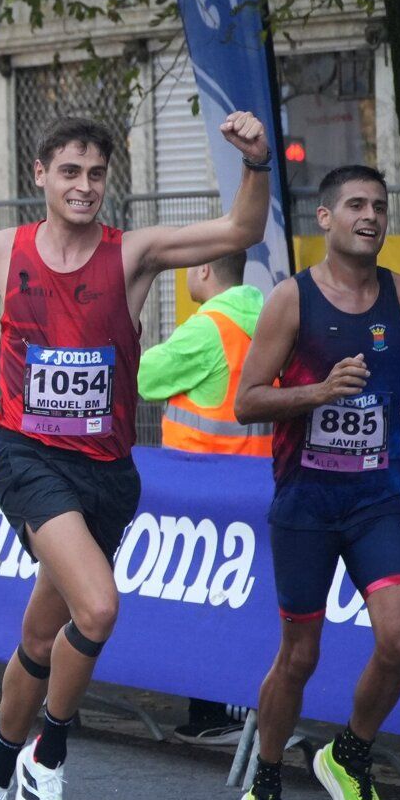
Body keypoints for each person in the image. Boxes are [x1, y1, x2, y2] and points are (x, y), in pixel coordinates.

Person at [0, 113, 270, 800]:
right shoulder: (4, 252)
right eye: (70, 173)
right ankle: (47, 759)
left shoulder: (134, 254)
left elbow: (239, 229)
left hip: (108, 474)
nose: (84, 187)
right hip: (29, 459)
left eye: (95, 175)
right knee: (98, 605)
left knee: (36, 636)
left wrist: (256, 163)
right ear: (41, 176)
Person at [230, 165, 400, 800]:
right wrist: (314, 393)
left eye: (379, 206)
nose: (370, 216)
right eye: (356, 206)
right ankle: (267, 783)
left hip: (375, 500)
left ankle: (349, 753)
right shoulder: (293, 301)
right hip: (305, 503)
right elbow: (246, 401)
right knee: (299, 656)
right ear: (326, 220)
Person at [137, 249, 270, 746]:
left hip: (199, 490)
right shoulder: (268, 319)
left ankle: (212, 713)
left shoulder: (207, 327)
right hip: (257, 483)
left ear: (205, 269)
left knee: (204, 604)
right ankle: (242, 709)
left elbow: (142, 377)